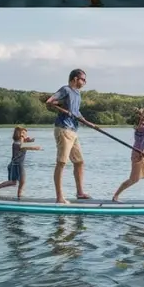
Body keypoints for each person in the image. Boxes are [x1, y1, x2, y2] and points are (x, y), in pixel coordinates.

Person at [44, 68, 97, 204]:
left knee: (79, 162)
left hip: (73, 130)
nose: (85, 82)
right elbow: (49, 102)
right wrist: (61, 108)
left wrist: (88, 123)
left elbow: (76, 112)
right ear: (75, 79)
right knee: (61, 163)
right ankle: (59, 197)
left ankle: (80, 193)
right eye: (83, 79)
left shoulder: (77, 94)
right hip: (63, 129)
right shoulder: (66, 89)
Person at [0, 126, 41, 198]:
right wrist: (35, 147)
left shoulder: (20, 142)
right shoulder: (17, 143)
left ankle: (17, 194)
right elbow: (23, 146)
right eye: (24, 133)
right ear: (20, 134)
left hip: (15, 164)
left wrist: (30, 141)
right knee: (21, 181)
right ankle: (18, 195)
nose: (26, 135)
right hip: (17, 164)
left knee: (14, 182)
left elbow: (25, 145)